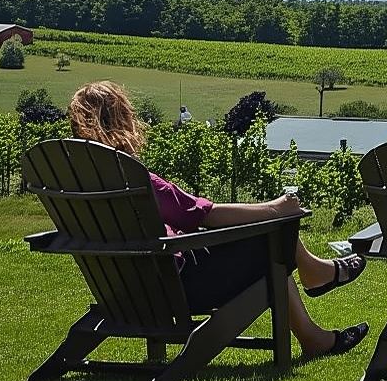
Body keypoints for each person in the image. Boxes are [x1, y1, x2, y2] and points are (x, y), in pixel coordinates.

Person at [68, 81, 368, 358]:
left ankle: (314, 321)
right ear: (122, 121)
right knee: (273, 239)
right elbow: (201, 214)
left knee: (271, 243)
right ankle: (315, 278)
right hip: (177, 288)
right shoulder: (132, 178)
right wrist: (275, 209)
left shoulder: (72, 183)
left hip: (126, 292)